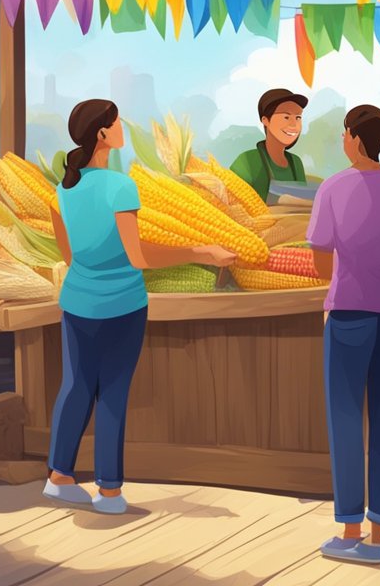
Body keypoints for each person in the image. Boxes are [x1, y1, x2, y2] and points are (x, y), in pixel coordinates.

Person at [44, 99, 236, 514]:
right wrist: (202, 252)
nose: (121, 127)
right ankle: (108, 492)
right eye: (116, 123)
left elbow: (69, 254)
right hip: (121, 306)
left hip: (77, 302)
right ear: (102, 134)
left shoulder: (63, 190)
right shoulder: (119, 187)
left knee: (76, 385)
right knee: (112, 393)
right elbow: (139, 257)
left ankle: (59, 476)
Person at [307, 105, 380, 566]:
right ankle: (378, 536)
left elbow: (319, 265)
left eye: (344, 134)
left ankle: (349, 529)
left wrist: (351, 267)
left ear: (355, 138)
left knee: (346, 420)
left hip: (349, 316)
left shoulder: (333, 189)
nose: (342, 141)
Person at [229, 88, 309, 203]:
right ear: (265, 120)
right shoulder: (246, 162)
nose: (294, 124)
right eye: (286, 117)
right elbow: (231, 205)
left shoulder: (296, 163)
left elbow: (301, 205)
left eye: (298, 118)